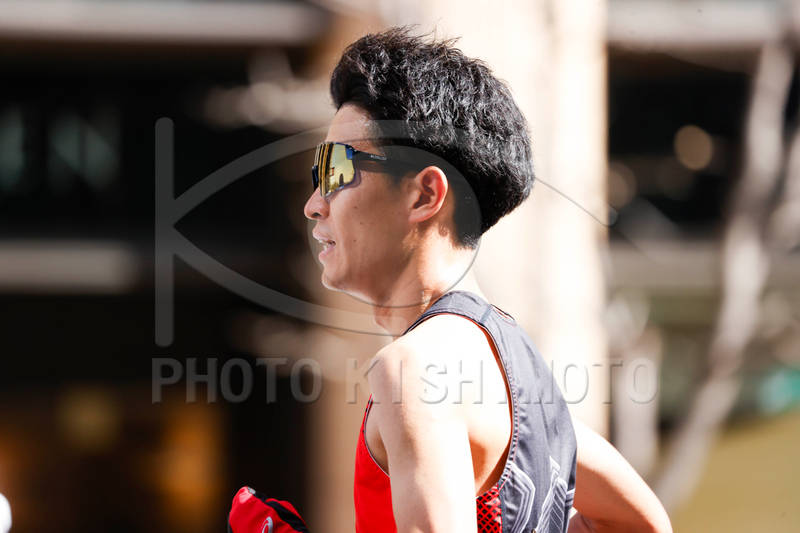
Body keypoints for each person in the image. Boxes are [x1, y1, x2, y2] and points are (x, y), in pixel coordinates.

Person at [229, 27, 671, 533]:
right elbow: (643, 525)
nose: (314, 204)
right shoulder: (524, 381)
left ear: (424, 195)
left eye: (336, 169)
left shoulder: (412, 370)